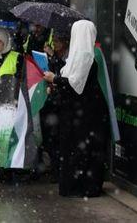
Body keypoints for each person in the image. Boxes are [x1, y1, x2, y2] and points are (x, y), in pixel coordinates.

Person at [43, 20, 110, 197]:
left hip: (87, 113)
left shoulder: (86, 56)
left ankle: (83, 187)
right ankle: (74, 185)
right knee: (74, 147)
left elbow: (76, 84)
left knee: (82, 149)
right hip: (79, 111)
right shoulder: (77, 55)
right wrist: (56, 82)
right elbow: (72, 81)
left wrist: (55, 79)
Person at [38, 33, 70, 181]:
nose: (55, 44)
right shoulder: (56, 57)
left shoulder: (67, 57)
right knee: (49, 138)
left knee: (57, 138)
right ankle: (54, 168)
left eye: (57, 41)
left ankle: (59, 171)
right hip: (52, 100)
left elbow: (65, 76)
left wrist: (53, 57)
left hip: (61, 104)